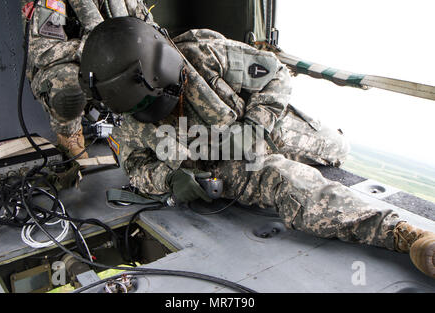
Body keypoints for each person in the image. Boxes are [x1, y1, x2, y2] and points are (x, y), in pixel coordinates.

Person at [78, 17, 435, 279]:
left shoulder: (203, 53)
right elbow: (137, 165)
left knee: (337, 148)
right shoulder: (127, 115)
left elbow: (275, 73)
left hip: (261, 125)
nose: (145, 116)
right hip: (222, 162)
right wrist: (170, 178)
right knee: (289, 183)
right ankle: (405, 235)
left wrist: (253, 128)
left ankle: (322, 138)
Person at [21, 0, 155, 158]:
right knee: (69, 88)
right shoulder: (53, 2)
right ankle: (69, 134)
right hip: (68, 67)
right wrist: (97, 48)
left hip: (116, 64)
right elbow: (44, 52)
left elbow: (149, 29)